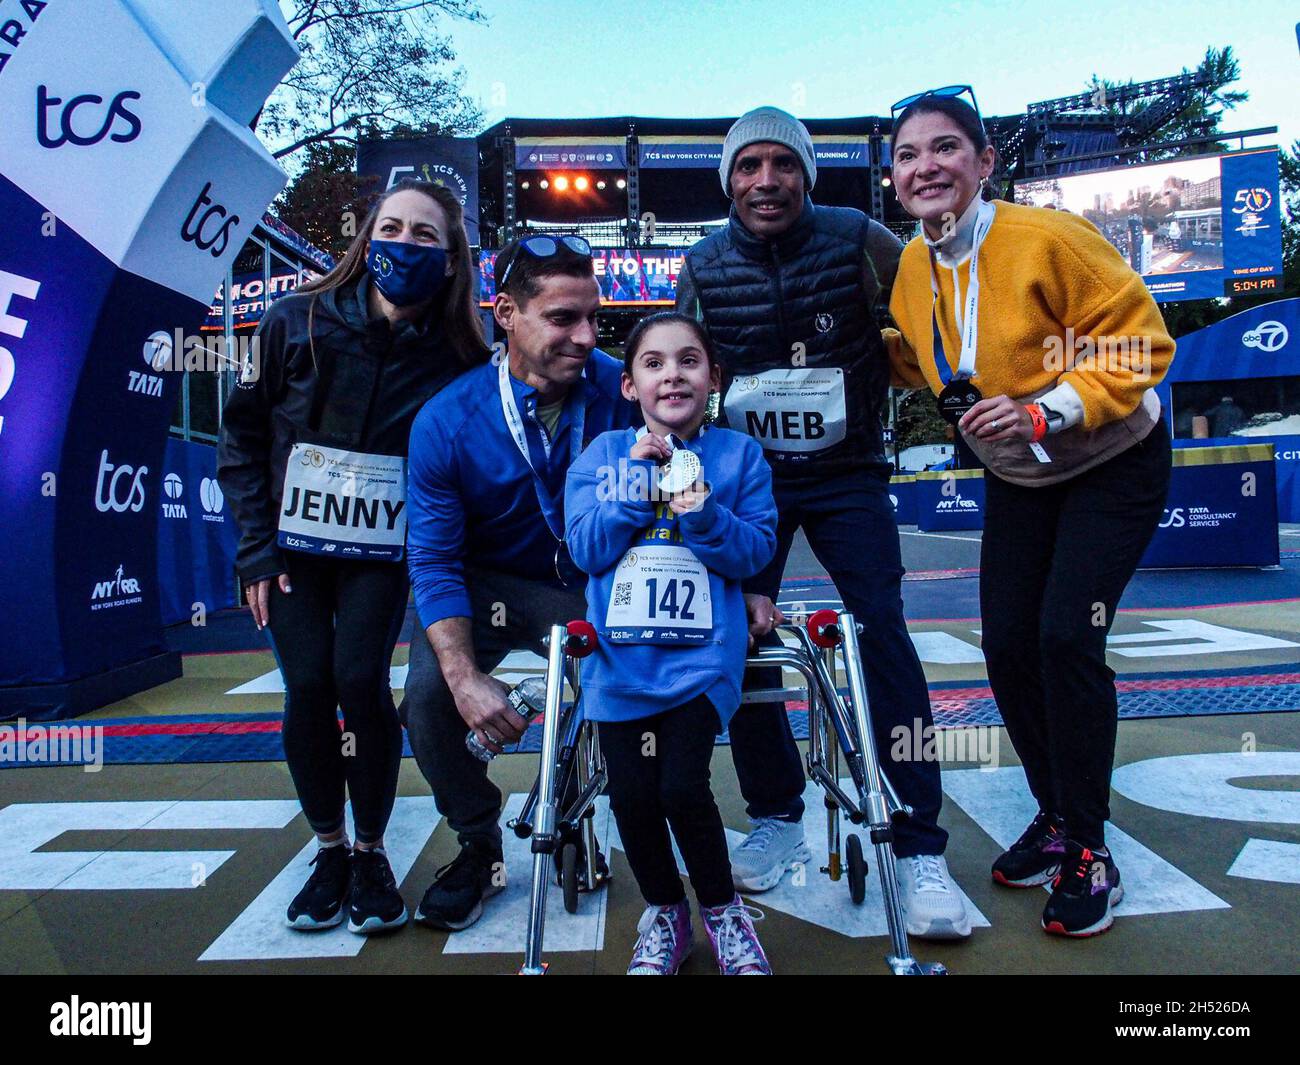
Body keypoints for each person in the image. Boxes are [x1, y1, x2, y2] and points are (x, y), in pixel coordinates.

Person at [675, 106, 971, 939]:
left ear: (806, 172)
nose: (765, 181)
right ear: (729, 179)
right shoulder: (700, 263)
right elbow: (690, 371)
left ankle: (918, 845)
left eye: (782, 164)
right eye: (748, 167)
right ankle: (775, 815)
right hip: (749, 483)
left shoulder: (860, 237)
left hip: (847, 477)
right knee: (737, 635)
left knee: (884, 636)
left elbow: (932, 321)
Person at [886, 86, 1175, 936]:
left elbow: (1142, 343)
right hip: (1023, 475)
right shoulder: (912, 263)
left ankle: (1090, 843)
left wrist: (1048, 406)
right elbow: (915, 356)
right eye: (907, 155)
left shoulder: (1048, 237)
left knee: (1064, 634)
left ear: (984, 163)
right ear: (895, 179)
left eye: (945, 148)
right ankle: (1056, 811)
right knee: (1008, 643)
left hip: (1110, 457)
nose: (926, 166)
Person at [218, 179, 489, 933]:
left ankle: (371, 851)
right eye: (390, 227)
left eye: (423, 235)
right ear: (366, 237)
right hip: (289, 552)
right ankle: (329, 848)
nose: (402, 243)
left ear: (450, 255)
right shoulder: (288, 320)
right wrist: (253, 551)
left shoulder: (461, 353)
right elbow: (239, 439)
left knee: (360, 679)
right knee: (307, 684)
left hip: (381, 552)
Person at [401, 235, 638, 931]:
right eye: (563, 318)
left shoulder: (621, 387)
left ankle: (590, 796)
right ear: (505, 312)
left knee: (642, 675)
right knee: (427, 697)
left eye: (594, 317)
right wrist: (464, 675)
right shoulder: (446, 419)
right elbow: (435, 561)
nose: (587, 337)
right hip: (484, 584)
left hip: (590, 581)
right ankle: (479, 843)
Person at [565, 311, 778, 975]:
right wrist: (634, 487)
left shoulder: (740, 456)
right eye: (653, 363)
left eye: (689, 360)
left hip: (701, 661)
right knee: (630, 796)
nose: (673, 374)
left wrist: (704, 511)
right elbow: (585, 549)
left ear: (714, 377)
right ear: (629, 386)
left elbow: (756, 549)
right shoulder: (599, 458)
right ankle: (666, 911)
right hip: (618, 664)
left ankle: (722, 911)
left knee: (683, 786)